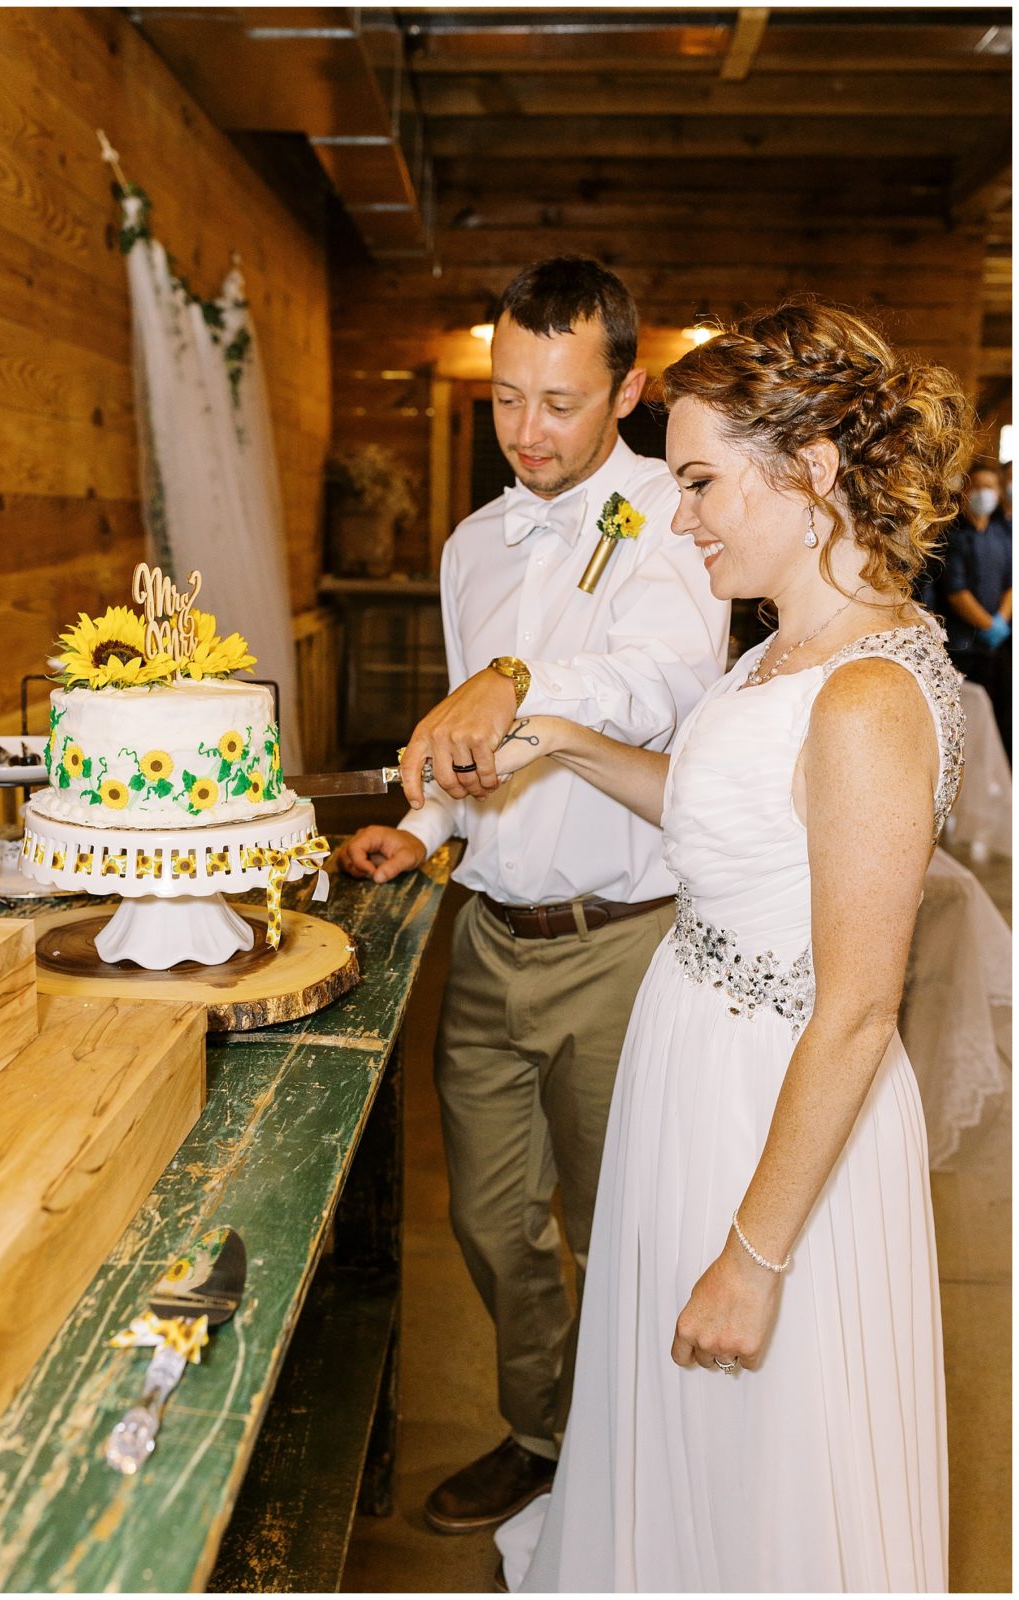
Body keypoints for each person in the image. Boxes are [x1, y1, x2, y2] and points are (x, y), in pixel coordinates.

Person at [482, 301, 970, 1591]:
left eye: (700, 481)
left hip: (779, 1114)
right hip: (694, 1068)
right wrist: (569, 744)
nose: (681, 514)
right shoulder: (779, 651)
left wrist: (755, 1260)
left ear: (810, 475)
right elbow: (724, 824)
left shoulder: (868, 695)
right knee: (682, 1445)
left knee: (767, 1467)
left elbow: (860, 1009)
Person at [333, 256, 729, 1532]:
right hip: (489, 939)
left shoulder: (680, 513)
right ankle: (547, 1433)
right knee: (496, 1222)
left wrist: (518, 679)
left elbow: (657, 679)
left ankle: (648, 1465)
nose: (529, 433)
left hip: (627, 946)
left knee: (624, 1225)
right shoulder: (469, 546)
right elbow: (467, 741)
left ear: (629, 389)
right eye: (508, 399)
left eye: (561, 403)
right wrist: (423, 824)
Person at [940, 463, 1011, 759]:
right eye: (978, 486)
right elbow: (956, 592)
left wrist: (1001, 621)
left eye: (990, 487)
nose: (985, 493)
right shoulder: (954, 535)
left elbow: (1011, 582)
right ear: (966, 490)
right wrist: (985, 624)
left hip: (995, 642)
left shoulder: (1001, 535)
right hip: (963, 642)